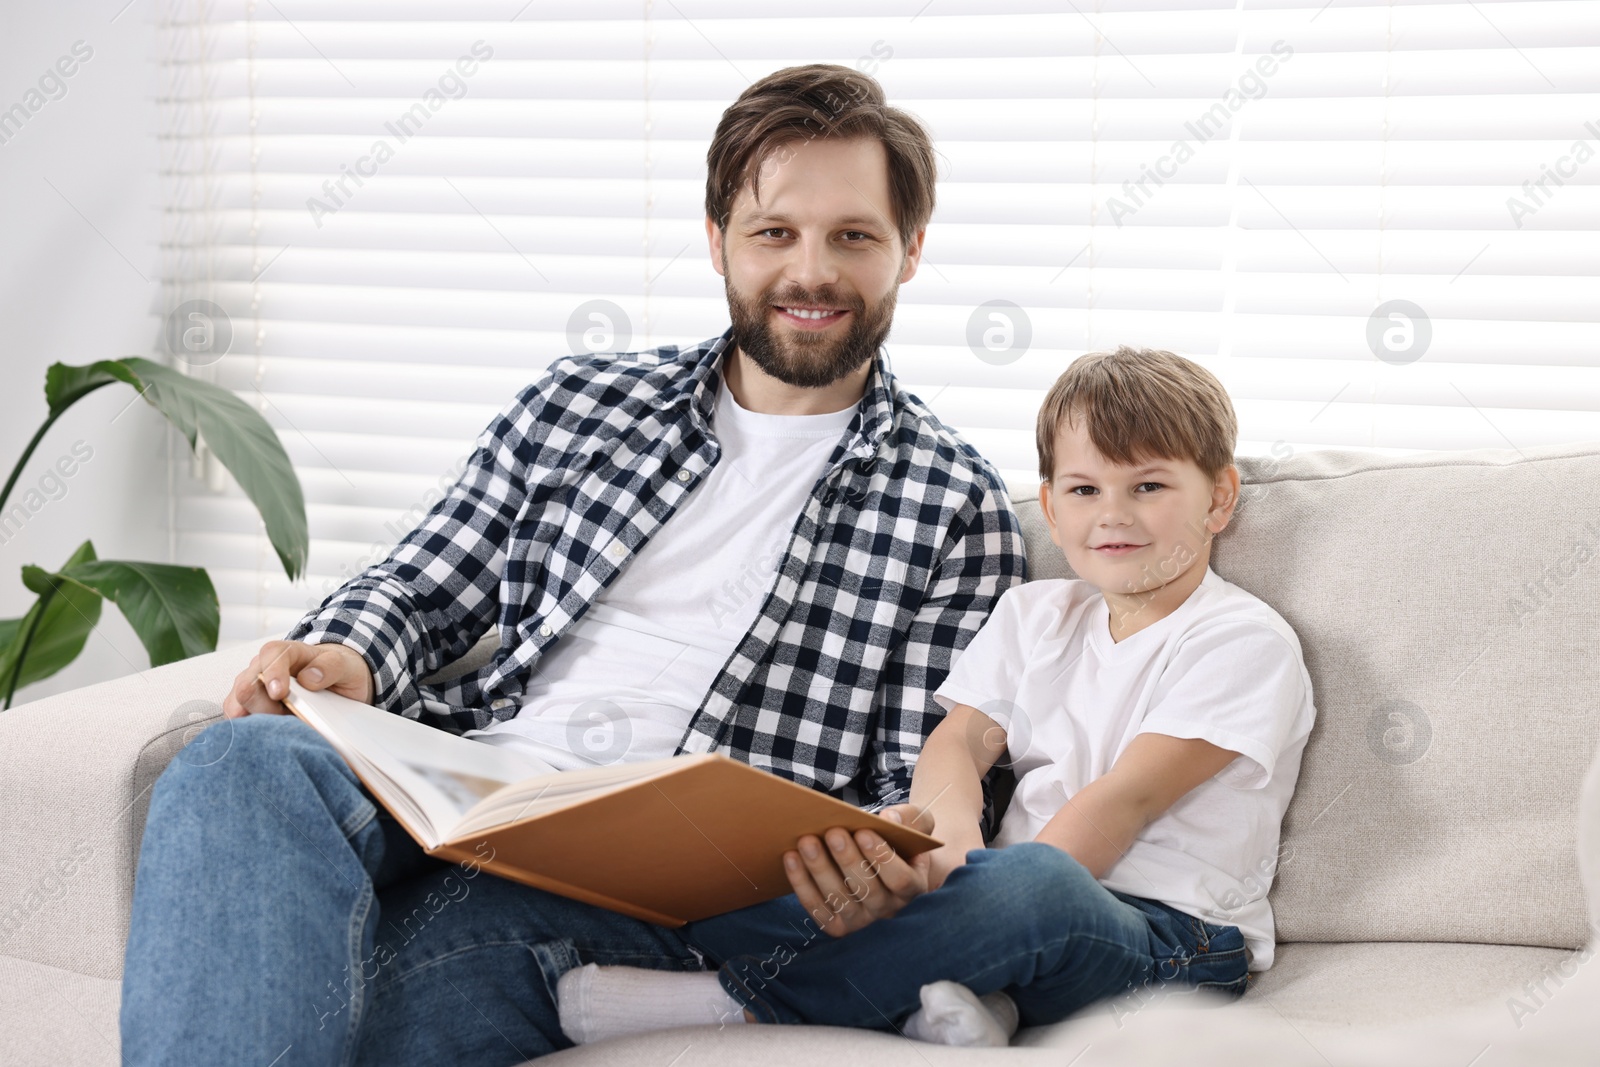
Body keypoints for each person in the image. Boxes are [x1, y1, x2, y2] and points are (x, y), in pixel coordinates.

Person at [118, 64, 1026, 1065]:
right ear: (719, 240)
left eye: (852, 235)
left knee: (349, 1009)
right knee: (234, 759)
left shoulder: (953, 504)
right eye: (775, 232)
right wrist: (350, 654)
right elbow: (419, 586)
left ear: (910, 251)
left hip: (655, 895)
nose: (810, 271)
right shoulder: (579, 404)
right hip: (472, 788)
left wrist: (881, 860)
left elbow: (917, 771)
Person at [553, 345, 1317, 1048]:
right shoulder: (1036, 613)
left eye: (1147, 486)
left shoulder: (1241, 641)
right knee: (776, 868)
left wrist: (967, 888)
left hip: (1171, 934)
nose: (1112, 513)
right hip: (1010, 899)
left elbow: (1124, 802)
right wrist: (944, 853)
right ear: (1051, 508)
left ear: (1219, 499)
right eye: (1085, 489)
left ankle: (738, 1003)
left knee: (1034, 887)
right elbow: (958, 742)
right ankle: (969, 992)